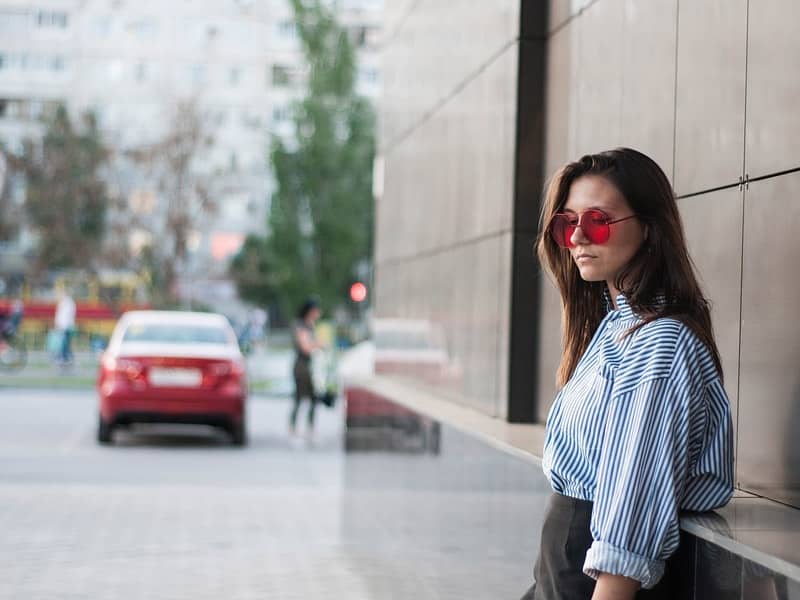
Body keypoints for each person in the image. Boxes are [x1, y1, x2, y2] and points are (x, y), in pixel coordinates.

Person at [521, 148, 734, 600]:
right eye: (566, 223)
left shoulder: (659, 343)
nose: (578, 237)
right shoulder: (614, 326)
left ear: (650, 229)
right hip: (564, 571)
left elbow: (633, 506)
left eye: (597, 220)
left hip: (598, 582)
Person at [289, 297, 325, 441]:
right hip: (302, 366)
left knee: (314, 397)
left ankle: (310, 426)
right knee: (299, 397)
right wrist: (318, 345)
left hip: (311, 365)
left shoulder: (311, 325)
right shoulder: (301, 326)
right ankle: (293, 426)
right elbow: (305, 347)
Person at [54, 290, 76, 366]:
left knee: (64, 342)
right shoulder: (67, 303)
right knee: (65, 342)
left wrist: (59, 324)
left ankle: (64, 357)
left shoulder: (67, 303)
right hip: (66, 325)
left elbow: (64, 316)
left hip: (65, 326)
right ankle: (67, 357)